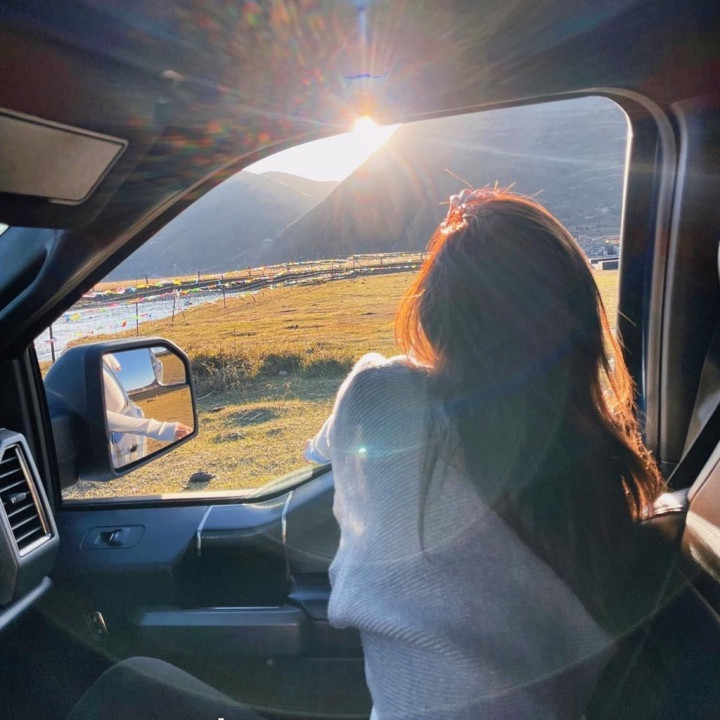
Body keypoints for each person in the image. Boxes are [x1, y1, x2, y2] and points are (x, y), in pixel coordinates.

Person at [305, 188, 667, 719]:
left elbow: (319, 450)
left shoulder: (381, 395)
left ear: (435, 314)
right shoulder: (603, 467)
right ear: (580, 326)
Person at [103, 354, 192, 467]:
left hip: (124, 437)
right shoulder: (90, 360)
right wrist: (157, 428)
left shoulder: (103, 356)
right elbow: (94, 415)